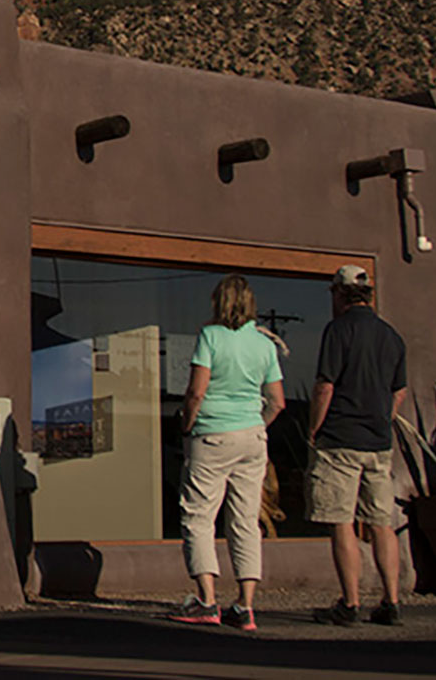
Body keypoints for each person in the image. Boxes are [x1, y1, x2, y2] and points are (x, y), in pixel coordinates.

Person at [173, 274, 285, 631]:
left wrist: (187, 425)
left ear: (217, 303)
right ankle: (245, 605)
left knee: (199, 516)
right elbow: (278, 401)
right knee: (245, 520)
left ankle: (207, 600)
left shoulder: (210, 337)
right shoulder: (264, 343)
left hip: (212, 434)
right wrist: (257, 426)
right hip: (252, 436)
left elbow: (196, 392)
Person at [307, 265, 407, 626]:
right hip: (378, 442)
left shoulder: (338, 331)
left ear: (339, 293)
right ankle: (391, 600)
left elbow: (325, 386)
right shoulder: (391, 336)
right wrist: (384, 418)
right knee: (382, 522)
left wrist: (314, 429)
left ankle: (349, 603)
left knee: (341, 521)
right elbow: (399, 391)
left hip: (341, 439)